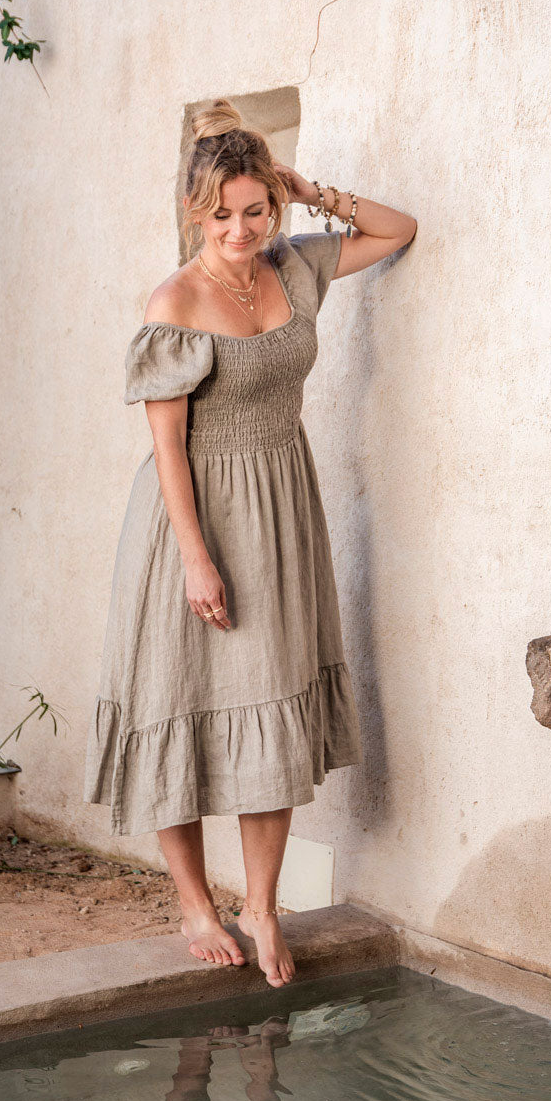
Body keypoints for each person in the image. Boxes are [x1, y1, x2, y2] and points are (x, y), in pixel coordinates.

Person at [83, 99, 417, 987]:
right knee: (179, 700)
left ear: (273, 202)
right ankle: (196, 904)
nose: (240, 230)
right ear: (196, 211)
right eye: (223, 214)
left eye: (256, 209)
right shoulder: (176, 300)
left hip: (280, 514)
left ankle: (261, 907)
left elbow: (398, 230)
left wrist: (313, 192)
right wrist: (195, 558)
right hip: (188, 520)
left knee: (270, 704)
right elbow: (166, 446)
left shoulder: (295, 266)